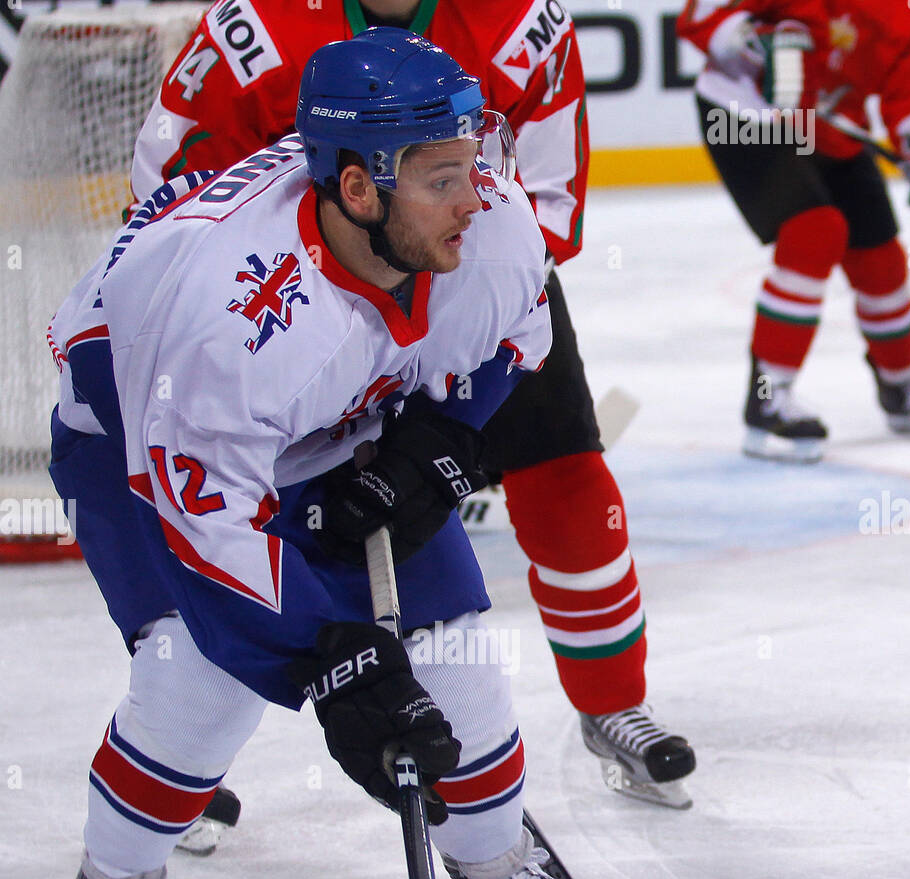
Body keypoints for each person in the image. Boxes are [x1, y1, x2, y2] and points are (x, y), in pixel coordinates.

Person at [51, 30, 641, 879]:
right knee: (198, 669)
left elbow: (517, 330)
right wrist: (339, 667)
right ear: (359, 190)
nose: (477, 195)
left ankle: (500, 873)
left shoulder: (482, 223)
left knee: (453, 646)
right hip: (140, 439)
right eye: (442, 176)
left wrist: (441, 443)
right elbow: (213, 537)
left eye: (472, 161)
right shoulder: (231, 327)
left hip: (328, 417)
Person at [130, 0, 698, 815]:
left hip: (472, 282)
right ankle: (180, 754)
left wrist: (453, 383)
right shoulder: (255, 27)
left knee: (565, 473)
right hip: (300, 313)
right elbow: (168, 191)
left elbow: (544, 197)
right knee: (222, 523)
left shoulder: (520, 21)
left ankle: (612, 700)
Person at [677, 0, 910, 461]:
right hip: (746, 113)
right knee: (815, 232)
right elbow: (700, 14)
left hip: (830, 124)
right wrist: (753, 44)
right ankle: (768, 395)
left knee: (879, 255)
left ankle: (901, 387)